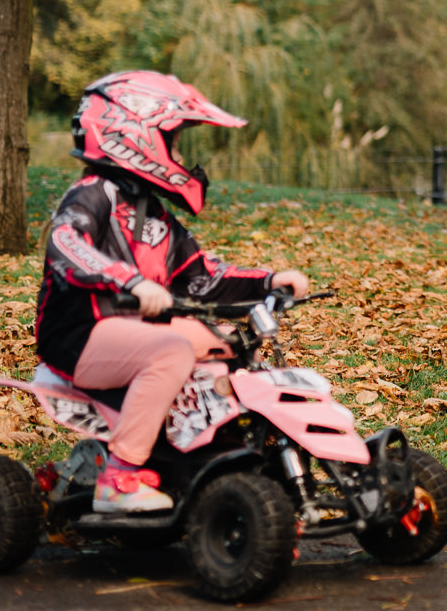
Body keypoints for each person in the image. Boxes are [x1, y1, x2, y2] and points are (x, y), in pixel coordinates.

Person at [35, 70, 309, 513]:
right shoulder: (92, 193)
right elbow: (66, 242)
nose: (180, 155)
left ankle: (201, 459)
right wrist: (132, 281)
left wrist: (268, 281)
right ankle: (119, 476)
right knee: (171, 351)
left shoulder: (151, 211)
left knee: (223, 347)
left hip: (131, 331)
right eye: (174, 142)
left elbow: (202, 278)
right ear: (134, 133)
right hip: (80, 335)